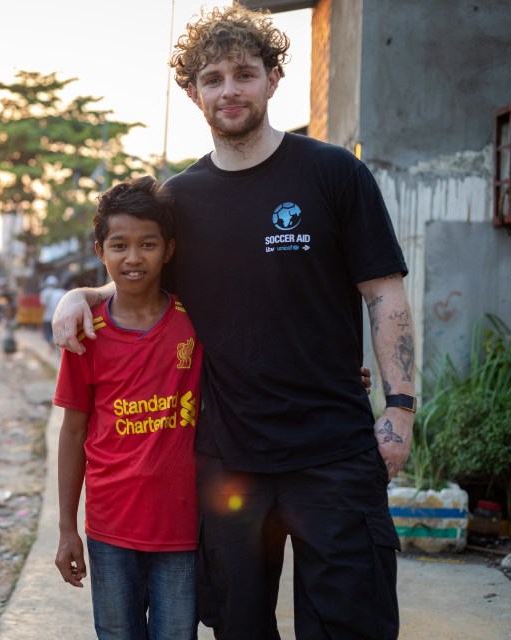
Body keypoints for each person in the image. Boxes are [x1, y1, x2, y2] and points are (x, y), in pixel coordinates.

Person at [53, 5, 415, 639]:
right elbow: (138, 275)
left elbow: (384, 293)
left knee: (352, 626)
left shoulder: (333, 174)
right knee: (239, 629)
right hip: (226, 461)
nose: (229, 90)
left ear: (273, 79)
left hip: (333, 450)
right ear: (194, 93)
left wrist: (401, 410)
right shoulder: (181, 201)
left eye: (244, 73)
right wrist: (79, 294)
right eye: (212, 78)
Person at [53, 176, 203, 639]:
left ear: (169, 249)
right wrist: (66, 528)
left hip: (181, 530)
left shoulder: (195, 323)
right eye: (119, 245)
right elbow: (73, 433)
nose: (134, 258)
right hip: (109, 528)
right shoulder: (84, 333)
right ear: (101, 251)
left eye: (148, 244)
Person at [39, 275, 67, 347]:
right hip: (58, 317)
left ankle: (51, 347)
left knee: (48, 334)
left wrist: (41, 317)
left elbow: (43, 306)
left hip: (47, 316)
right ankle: (54, 346)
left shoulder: (44, 293)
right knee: (55, 333)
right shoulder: (60, 292)